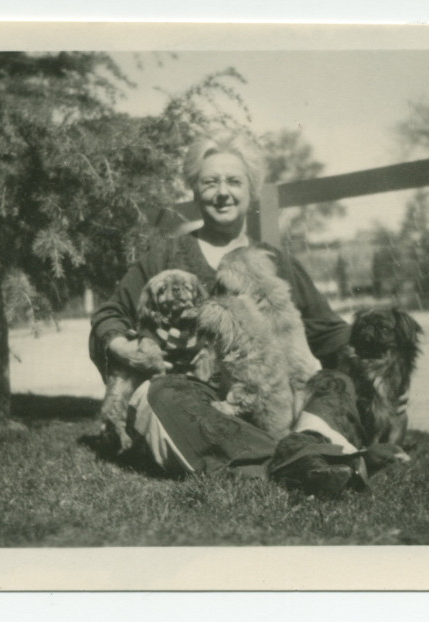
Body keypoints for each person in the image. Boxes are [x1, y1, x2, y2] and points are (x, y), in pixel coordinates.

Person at [89, 130, 357, 491]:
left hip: (264, 397)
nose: (222, 192)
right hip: (197, 397)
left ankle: (304, 450)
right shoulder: (165, 256)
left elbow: (330, 333)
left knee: (337, 380)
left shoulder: (274, 261)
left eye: (234, 181)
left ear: (252, 189)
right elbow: (110, 315)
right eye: (210, 182)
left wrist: (381, 363)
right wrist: (123, 348)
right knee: (162, 397)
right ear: (195, 191)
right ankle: (295, 462)